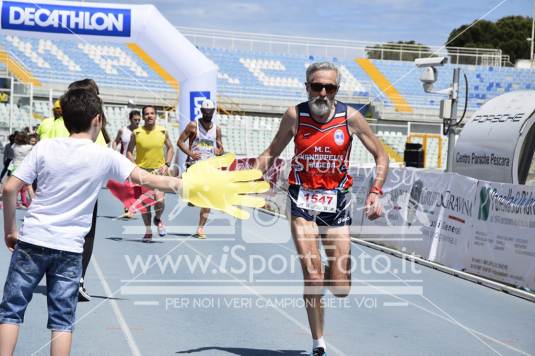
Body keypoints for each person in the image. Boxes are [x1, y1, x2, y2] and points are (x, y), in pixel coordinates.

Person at [0, 87, 267, 356]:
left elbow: (10, 189)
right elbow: (149, 180)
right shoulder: (104, 155)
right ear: (98, 120)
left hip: (32, 240)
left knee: (11, 312)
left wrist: (10, 229)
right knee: (62, 323)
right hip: (69, 249)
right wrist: (190, 185)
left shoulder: (44, 147)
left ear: (65, 119)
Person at [256, 62, 389, 356]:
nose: (323, 92)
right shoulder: (295, 115)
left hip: (336, 203)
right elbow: (270, 153)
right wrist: (245, 179)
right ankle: (318, 343)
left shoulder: (351, 118)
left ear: (337, 91)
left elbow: (382, 155)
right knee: (313, 277)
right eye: (317, 86)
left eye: (330, 88)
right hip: (301, 200)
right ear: (307, 87)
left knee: (340, 288)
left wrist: (375, 191)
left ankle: (331, 273)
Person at [127, 105, 174, 242]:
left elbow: (171, 148)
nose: (150, 116)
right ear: (143, 116)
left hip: (159, 171)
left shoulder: (163, 131)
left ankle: (158, 219)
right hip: (143, 173)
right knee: (146, 203)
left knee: (159, 200)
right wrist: (135, 165)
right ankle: (148, 230)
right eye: (147, 114)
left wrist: (167, 164)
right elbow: (129, 151)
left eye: (152, 113)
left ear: (155, 115)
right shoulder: (136, 133)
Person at [177, 99, 223, 239]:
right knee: (193, 193)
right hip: (194, 165)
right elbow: (180, 142)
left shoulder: (217, 129)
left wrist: (218, 150)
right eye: (206, 111)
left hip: (209, 166)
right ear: (202, 111)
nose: (208, 114)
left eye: (211, 112)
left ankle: (201, 228)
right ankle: (192, 196)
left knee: (207, 198)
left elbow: (221, 148)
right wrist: (190, 153)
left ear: (214, 112)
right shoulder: (193, 125)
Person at [112, 110, 141, 217]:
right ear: (130, 119)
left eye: (139, 120)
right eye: (135, 120)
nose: (137, 122)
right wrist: (113, 152)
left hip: (138, 163)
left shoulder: (141, 132)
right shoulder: (123, 131)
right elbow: (115, 141)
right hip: (124, 162)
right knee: (128, 185)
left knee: (137, 187)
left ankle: (131, 206)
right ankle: (128, 208)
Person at [8, 132, 34, 208]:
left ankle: (15, 202)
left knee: (15, 187)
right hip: (25, 168)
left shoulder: (14, 146)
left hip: (15, 167)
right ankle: (28, 202)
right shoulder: (29, 147)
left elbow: (13, 144)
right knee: (27, 187)